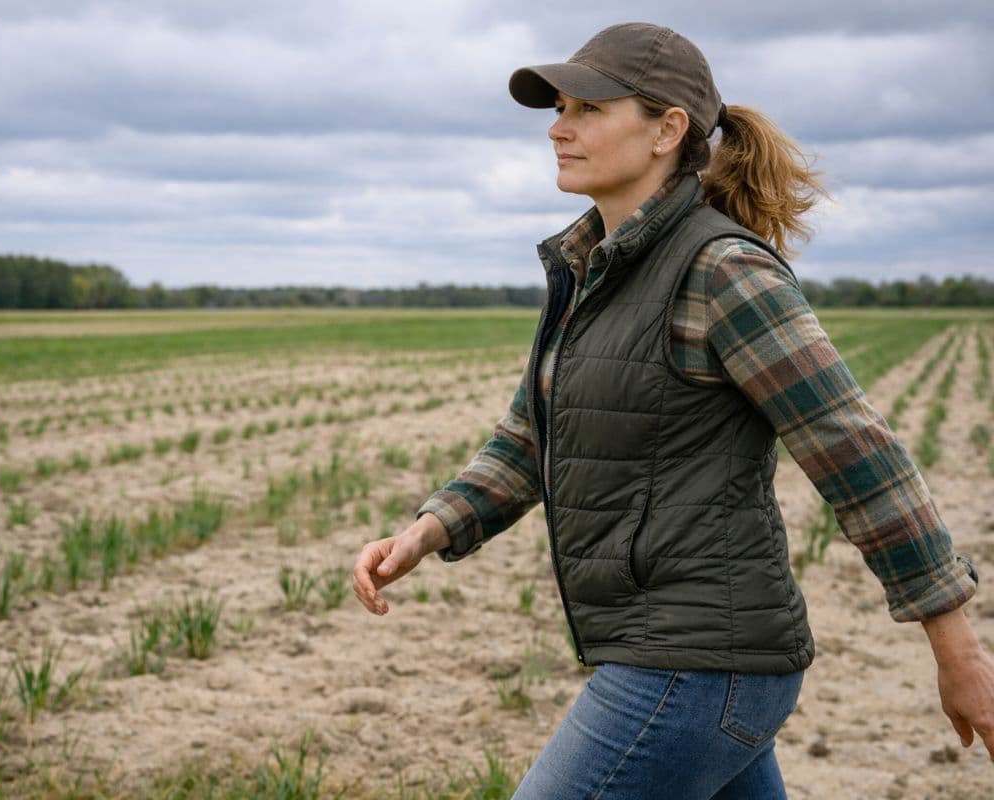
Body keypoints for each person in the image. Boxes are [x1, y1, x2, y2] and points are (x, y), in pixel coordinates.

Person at [351, 21, 994, 799]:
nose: (559, 128)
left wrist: (956, 649)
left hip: (697, 664)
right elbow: (531, 437)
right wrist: (430, 530)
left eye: (589, 108)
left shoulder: (721, 271)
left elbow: (854, 450)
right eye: (559, 108)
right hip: (688, 658)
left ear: (667, 131)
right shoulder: (592, 270)